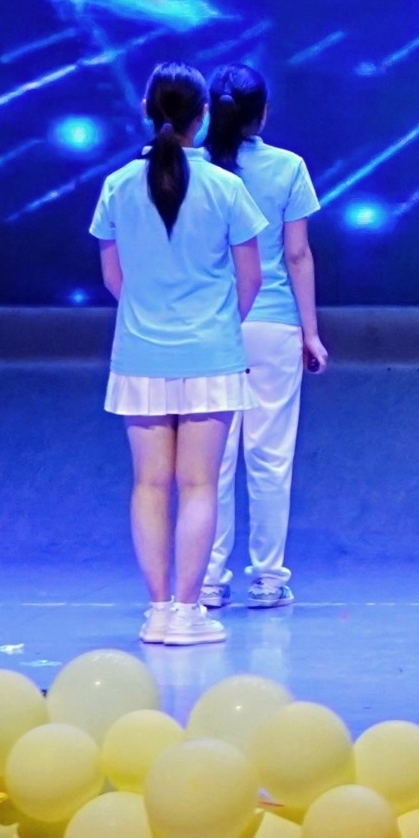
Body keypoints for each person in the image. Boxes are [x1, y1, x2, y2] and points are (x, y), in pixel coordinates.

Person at [92, 64, 266, 648]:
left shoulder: (118, 185)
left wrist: (150, 316)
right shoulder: (226, 187)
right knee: (198, 485)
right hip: (211, 356)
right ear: (203, 117)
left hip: (140, 355)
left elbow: (114, 278)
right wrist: (216, 327)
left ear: (147, 109)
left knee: (149, 484)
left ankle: (158, 611)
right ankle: (188, 613)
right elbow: (251, 278)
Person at [198, 65, 327, 612]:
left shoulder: (193, 170)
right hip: (274, 326)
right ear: (263, 113)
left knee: (212, 459)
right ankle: (269, 579)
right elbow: (296, 254)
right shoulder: (288, 167)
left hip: (210, 327)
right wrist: (311, 333)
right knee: (270, 456)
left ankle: (207, 579)